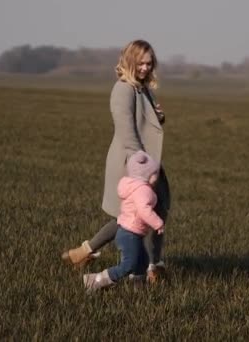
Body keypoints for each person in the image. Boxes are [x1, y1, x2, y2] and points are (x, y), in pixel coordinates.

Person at [61, 39, 170, 283]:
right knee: (134, 216)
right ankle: (151, 267)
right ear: (130, 61)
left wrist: (158, 118)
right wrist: (143, 169)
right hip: (133, 163)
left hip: (144, 160)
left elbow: (144, 125)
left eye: (149, 63)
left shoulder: (142, 88)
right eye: (140, 63)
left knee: (151, 209)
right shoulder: (123, 89)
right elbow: (126, 130)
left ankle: (88, 252)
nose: (145, 67)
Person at [83, 151, 164, 291]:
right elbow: (144, 210)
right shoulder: (143, 190)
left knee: (142, 261)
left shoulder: (132, 185)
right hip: (129, 234)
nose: (157, 178)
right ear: (146, 174)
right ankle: (95, 280)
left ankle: (138, 287)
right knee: (128, 265)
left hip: (129, 232)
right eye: (154, 173)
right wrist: (158, 223)